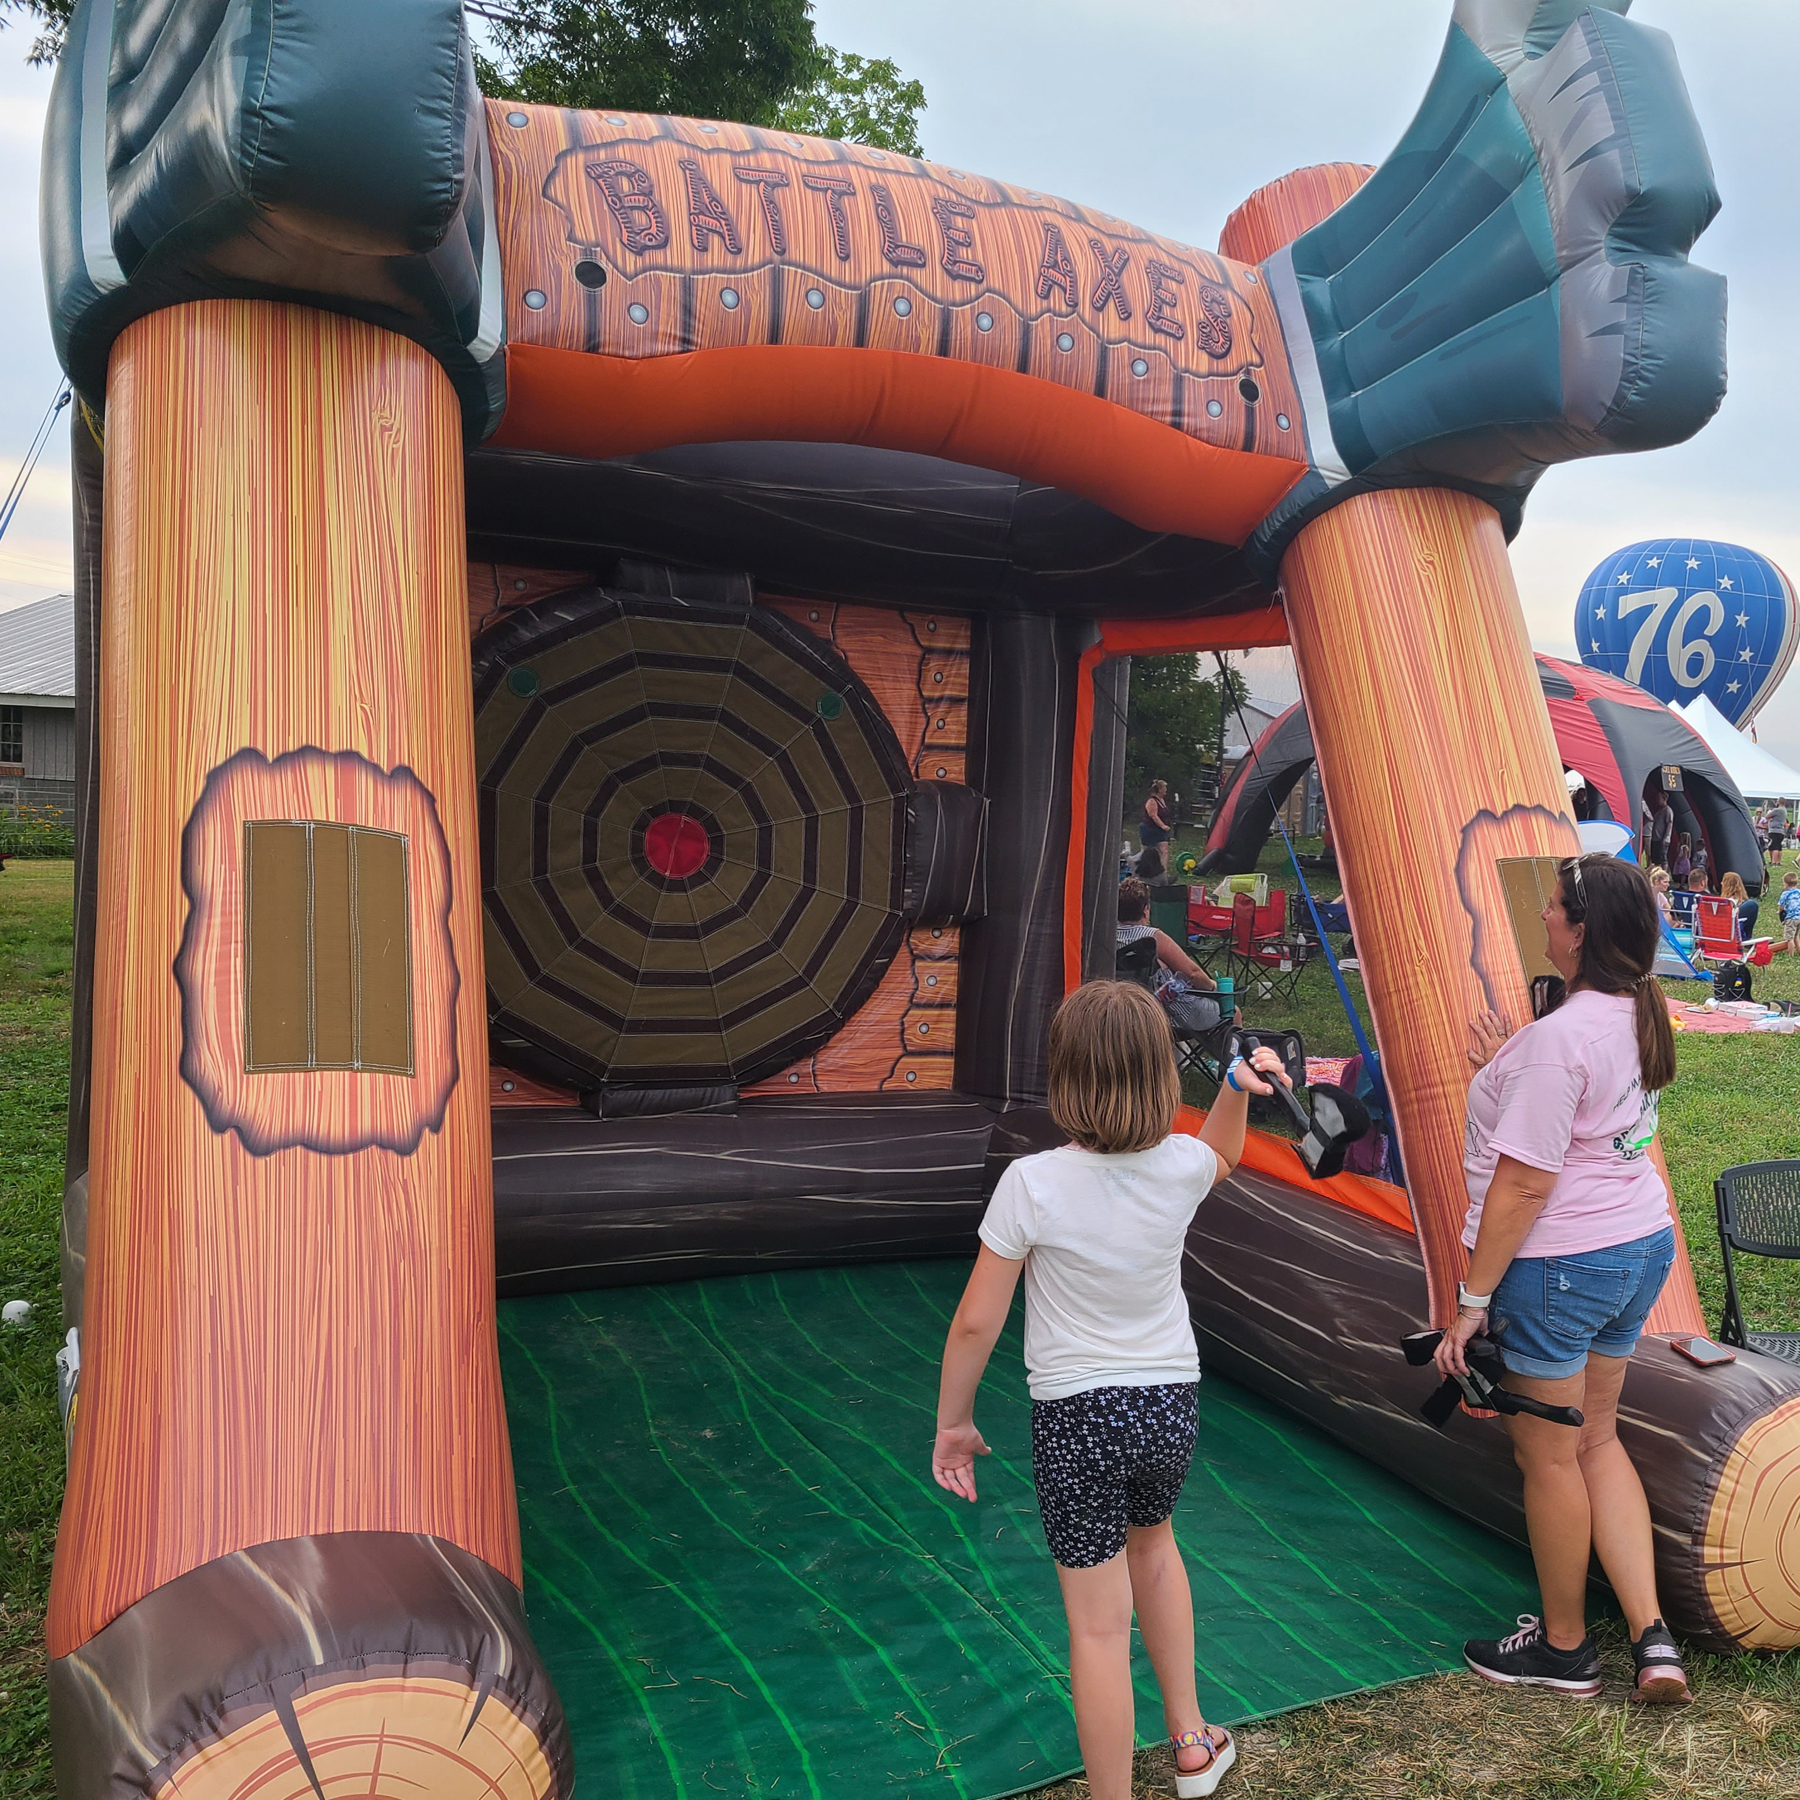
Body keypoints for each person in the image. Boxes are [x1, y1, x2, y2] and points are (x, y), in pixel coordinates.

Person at [932, 982, 1292, 1800]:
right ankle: (1193, 1744)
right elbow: (1225, 1154)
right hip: (1168, 1407)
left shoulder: (1032, 1182)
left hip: (1077, 1418)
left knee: (1098, 1630)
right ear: (1163, 1074)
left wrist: (953, 1422)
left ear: (1068, 1078)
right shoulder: (1182, 1163)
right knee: (1156, 1546)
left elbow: (974, 1326)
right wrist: (1233, 1089)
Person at [1440, 854, 1688, 1705]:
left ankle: (1566, 1650)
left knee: (1548, 1458)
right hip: (1636, 1247)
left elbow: (1525, 1184)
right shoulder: (1634, 1013)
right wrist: (1507, 1062)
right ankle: (1653, 1638)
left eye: (1551, 909)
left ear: (1581, 932)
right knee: (1599, 1438)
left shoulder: (1558, 1043)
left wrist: (1469, 1306)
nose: (1542, 918)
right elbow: (1573, 1092)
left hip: (1560, 1267)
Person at [1117, 877, 1223, 1033]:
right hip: (1166, 1013)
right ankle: (1234, 1057)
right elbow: (1193, 974)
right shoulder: (1152, 938)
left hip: (1124, 1012)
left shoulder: (1107, 937)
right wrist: (1213, 987)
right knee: (1232, 1012)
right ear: (1146, 910)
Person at [1137, 780, 1174, 882]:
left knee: (1164, 851)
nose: (1166, 790)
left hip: (1161, 832)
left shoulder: (1162, 800)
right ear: (1160, 789)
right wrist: (1163, 826)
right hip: (1150, 829)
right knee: (1146, 852)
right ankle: (1142, 874)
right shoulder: (1152, 801)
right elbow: (1153, 815)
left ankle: (1163, 875)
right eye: (1164, 788)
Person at [1719, 870, 1757, 943]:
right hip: (1731, 933)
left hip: (1722, 933)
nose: (1721, 883)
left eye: (1723, 881)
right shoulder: (1742, 903)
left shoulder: (1723, 902)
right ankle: (1747, 937)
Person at [1643, 785, 1674, 871]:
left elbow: (1669, 824)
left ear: (1664, 799)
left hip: (1662, 839)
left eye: (1659, 798)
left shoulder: (1667, 810)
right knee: (1656, 859)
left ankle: (1664, 874)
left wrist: (1664, 838)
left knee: (1662, 859)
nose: (1658, 800)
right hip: (1655, 838)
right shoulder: (1659, 810)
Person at [1775, 869, 1800, 956]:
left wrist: (1780, 911)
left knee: (1790, 938)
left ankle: (1791, 954)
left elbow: (1781, 906)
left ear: (1785, 883)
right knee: (1796, 935)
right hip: (1799, 917)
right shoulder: (1798, 892)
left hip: (1791, 918)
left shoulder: (1785, 894)